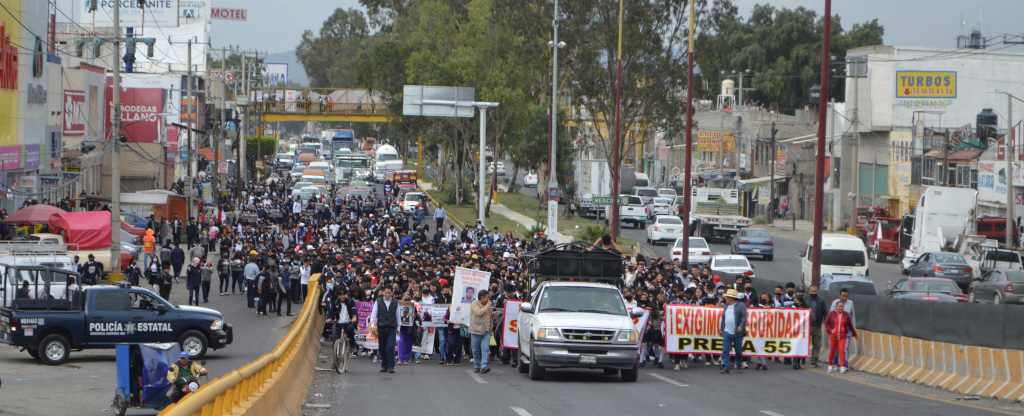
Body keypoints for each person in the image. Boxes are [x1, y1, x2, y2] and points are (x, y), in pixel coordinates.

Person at [369, 286, 399, 373]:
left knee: (390, 346)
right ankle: (384, 365)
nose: (387, 294)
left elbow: (398, 316)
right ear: (383, 293)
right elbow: (374, 314)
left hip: (392, 327)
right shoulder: (378, 301)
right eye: (386, 292)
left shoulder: (396, 302)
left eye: (389, 292)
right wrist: (373, 325)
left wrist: (399, 328)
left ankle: (391, 365)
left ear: (392, 293)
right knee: (382, 347)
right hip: (381, 327)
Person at [719, 288, 747, 374]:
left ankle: (739, 365)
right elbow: (723, 318)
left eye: (727, 297)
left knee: (738, 351)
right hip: (727, 332)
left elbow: (744, 317)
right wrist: (722, 329)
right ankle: (726, 367)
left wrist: (741, 326)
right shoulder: (726, 306)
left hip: (737, 333)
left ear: (731, 298)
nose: (725, 298)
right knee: (725, 350)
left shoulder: (741, 305)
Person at [825, 299, 857, 374]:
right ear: (836, 307)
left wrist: (854, 333)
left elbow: (850, 325)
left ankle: (842, 367)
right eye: (839, 306)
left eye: (842, 306)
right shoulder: (831, 314)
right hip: (833, 336)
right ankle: (830, 365)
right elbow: (826, 323)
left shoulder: (846, 315)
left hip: (842, 336)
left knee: (842, 351)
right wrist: (830, 330)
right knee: (832, 351)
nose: (841, 308)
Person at [469, 291, 495, 374]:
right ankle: (477, 365)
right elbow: (479, 313)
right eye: (487, 297)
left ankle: (484, 365)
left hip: (487, 330)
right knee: (476, 350)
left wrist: (495, 313)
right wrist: (488, 305)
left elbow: (489, 314)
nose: (488, 299)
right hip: (476, 330)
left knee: (485, 348)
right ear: (482, 297)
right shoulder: (474, 303)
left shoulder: (488, 306)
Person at [807, 285, 826, 367]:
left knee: (817, 345)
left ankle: (814, 361)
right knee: (804, 343)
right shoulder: (805, 299)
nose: (813, 293)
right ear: (809, 291)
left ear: (817, 292)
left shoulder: (821, 300)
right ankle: (801, 359)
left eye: (815, 291)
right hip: (806, 327)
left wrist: (827, 324)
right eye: (812, 291)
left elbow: (825, 313)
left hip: (817, 326)